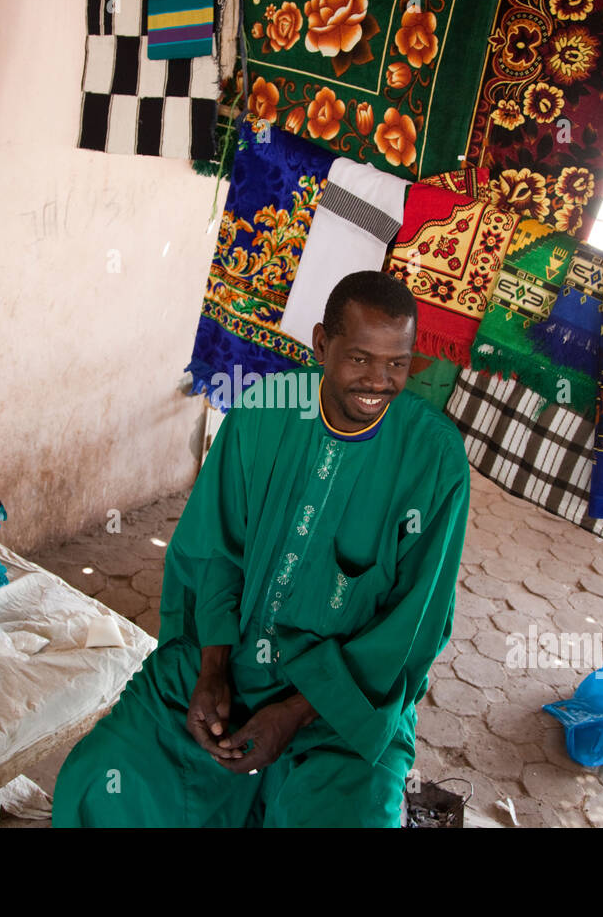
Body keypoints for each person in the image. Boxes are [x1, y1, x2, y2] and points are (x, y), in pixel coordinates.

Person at [52, 270, 471, 827]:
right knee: (101, 778)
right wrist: (211, 669)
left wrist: (295, 714)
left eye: (397, 363)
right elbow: (213, 551)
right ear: (322, 344)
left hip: (345, 703)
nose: (379, 381)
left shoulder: (435, 460)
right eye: (361, 359)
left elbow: (414, 626)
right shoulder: (267, 409)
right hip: (231, 655)